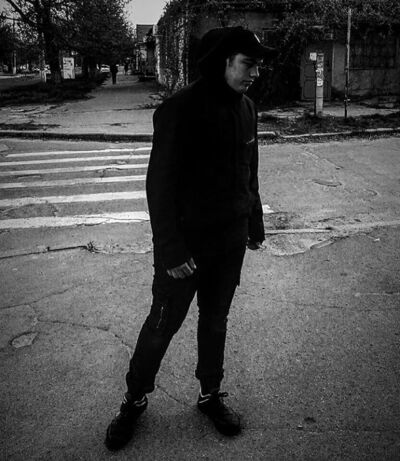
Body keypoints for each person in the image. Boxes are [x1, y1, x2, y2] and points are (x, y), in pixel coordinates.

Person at [105, 26, 270, 451]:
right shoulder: (179, 110)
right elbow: (159, 186)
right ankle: (134, 399)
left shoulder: (248, 108)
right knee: (162, 325)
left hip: (229, 244)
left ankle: (210, 394)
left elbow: (249, 172)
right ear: (223, 62)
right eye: (248, 65)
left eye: (257, 66)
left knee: (215, 322)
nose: (255, 74)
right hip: (185, 249)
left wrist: (253, 222)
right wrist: (171, 249)